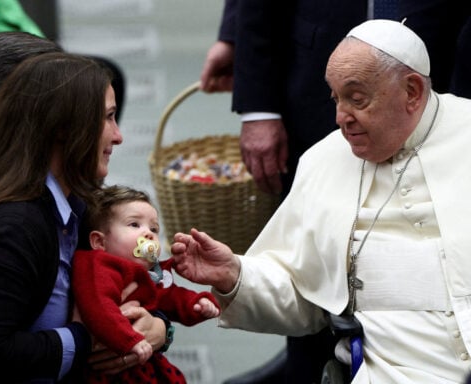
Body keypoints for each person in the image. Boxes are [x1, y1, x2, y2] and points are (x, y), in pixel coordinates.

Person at [174, 19, 471, 384]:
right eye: (336, 98)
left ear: (411, 92)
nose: (340, 118)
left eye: (357, 99)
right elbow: (302, 295)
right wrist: (235, 276)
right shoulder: (323, 161)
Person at [0, 51, 165, 383]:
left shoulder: (79, 205)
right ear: (62, 128)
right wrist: (86, 339)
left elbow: (125, 279)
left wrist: (157, 327)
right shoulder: (15, 227)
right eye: (108, 117)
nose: (118, 135)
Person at [72, 185, 220, 383]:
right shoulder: (98, 266)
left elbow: (171, 296)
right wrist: (128, 339)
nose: (149, 234)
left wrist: (198, 304)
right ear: (99, 241)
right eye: (134, 224)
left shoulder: (149, 274)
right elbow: (99, 306)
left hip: (141, 365)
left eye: (154, 229)